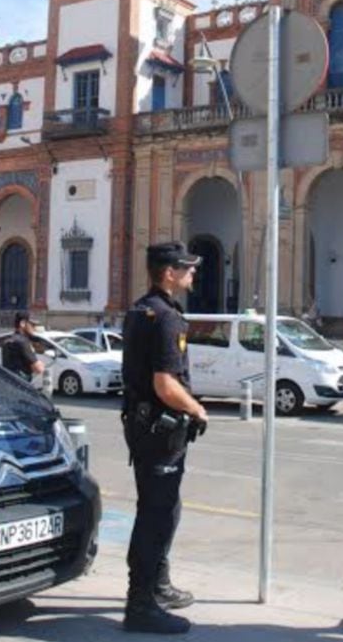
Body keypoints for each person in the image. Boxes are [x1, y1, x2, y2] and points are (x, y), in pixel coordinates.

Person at [120, 241, 207, 635]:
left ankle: (157, 584)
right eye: (186, 268)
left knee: (161, 508)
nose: (192, 274)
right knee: (156, 514)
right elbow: (165, 382)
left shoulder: (140, 309)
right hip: (160, 427)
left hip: (142, 425)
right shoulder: (168, 318)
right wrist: (196, 408)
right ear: (168, 273)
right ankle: (140, 604)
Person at [0, 310, 45, 384]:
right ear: (22, 323)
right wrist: (41, 364)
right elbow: (39, 369)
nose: (34, 328)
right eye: (32, 325)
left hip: (8, 384)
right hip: (21, 385)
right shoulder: (23, 342)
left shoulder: (8, 341)